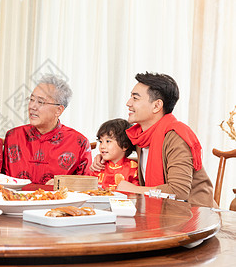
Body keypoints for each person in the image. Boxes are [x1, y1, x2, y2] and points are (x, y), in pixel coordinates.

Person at [91, 72, 215, 207]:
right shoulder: (141, 136)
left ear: (156, 106)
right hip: (166, 212)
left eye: (135, 98)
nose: (128, 103)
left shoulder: (176, 136)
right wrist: (105, 159)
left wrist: (134, 189)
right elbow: (150, 163)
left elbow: (179, 191)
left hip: (194, 213)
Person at [3, 74, 92, 184]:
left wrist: (64, 183)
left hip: (56, 200)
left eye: (40, 102)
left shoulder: (79, 142)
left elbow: (86, 186)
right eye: (31, 99)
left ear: (58, 110)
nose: (32, 106)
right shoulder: (14, 136)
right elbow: (0, 180)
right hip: (15, 200)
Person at [86, 118, 138, 190]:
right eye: (101, 142)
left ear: (124, 146)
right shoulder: (98, 167)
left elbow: (136, 194)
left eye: (108, 141)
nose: (102, 146)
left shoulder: (133, 168)